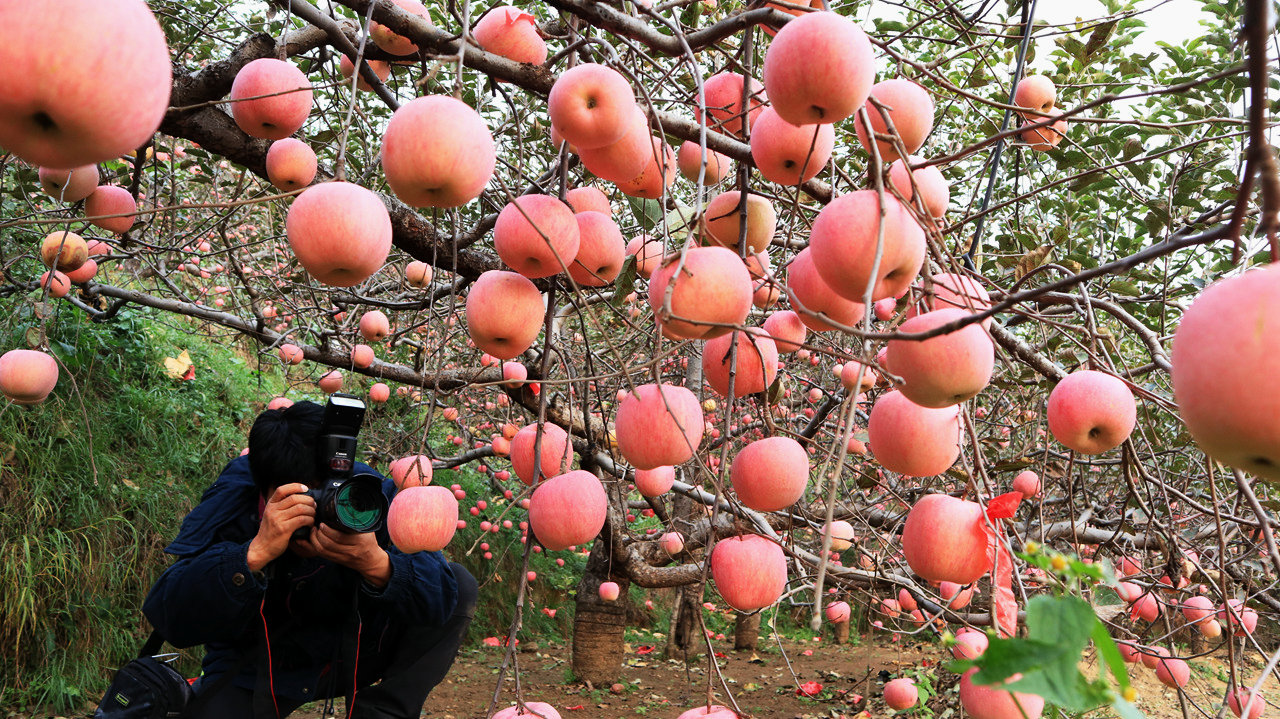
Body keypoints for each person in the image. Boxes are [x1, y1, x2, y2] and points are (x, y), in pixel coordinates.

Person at [142, 401, 477, 718]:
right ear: (264, 488)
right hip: (257, 667)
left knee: (460, 582)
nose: (319, 512)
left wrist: (377, 565)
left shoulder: (364, 495)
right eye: (304, 498)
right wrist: (250, 556)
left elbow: (442, 597)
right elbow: (169, 615)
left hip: (351, 653)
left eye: (326, 494)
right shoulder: (234, 501)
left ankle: (383, 713)